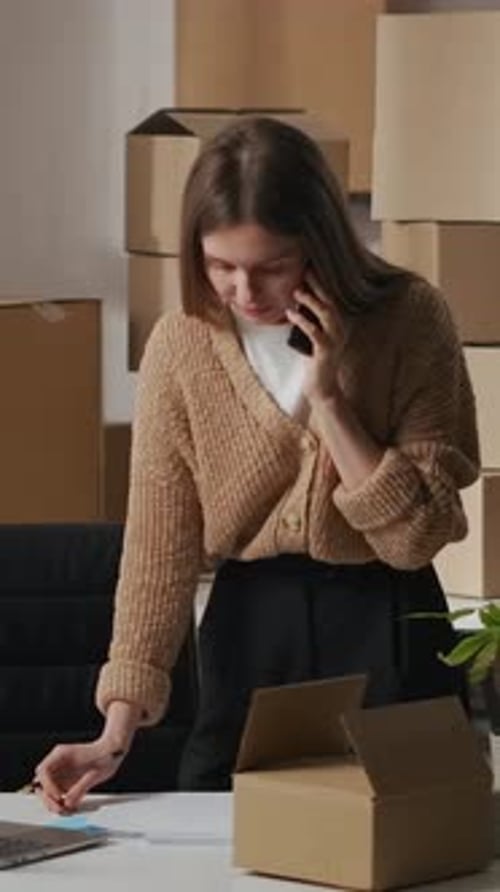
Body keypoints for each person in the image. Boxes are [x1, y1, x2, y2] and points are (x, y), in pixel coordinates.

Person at [35, 116, 479, 811]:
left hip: (387, 619)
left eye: (272, 266)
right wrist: (112, 734)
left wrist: (330, 399)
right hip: (251, 631)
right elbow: (160, 546)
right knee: (231, 843)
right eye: (220, 266)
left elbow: (414, 539)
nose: (244, 291)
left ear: (320, 245)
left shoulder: (410, 318)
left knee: (415, 836)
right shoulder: (181, 346)